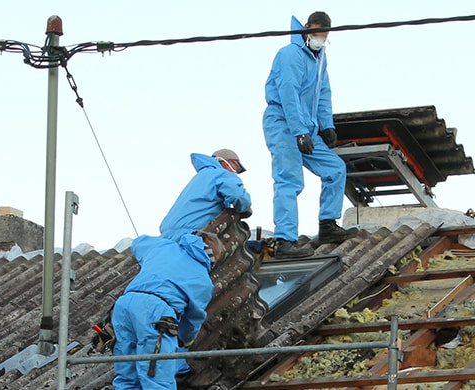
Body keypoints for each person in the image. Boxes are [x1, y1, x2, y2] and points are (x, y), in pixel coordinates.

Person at [111, 149, 252, 390]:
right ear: (227, 162)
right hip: (157, 312)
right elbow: (193, 317)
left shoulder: (162, 249)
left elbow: (140, 243)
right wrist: (185, 342)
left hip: (124, 305)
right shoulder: (218, 173)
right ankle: (176, 362)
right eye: (237, 167)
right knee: (157, 376)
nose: (237, 172)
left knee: (126, 374)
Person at [262, 11, 354, 259]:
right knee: (289, 180)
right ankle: (285, 240)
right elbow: (288, 93)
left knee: (335, 169)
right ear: (306, 28)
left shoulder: (321, 58)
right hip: (283, 123)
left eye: (324, 32)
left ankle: (328, 226)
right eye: (317, 31)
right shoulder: (289, 54)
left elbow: (324, 92)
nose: (320, 36)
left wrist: (327, 125)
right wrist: (299, 131)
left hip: (308, 127)